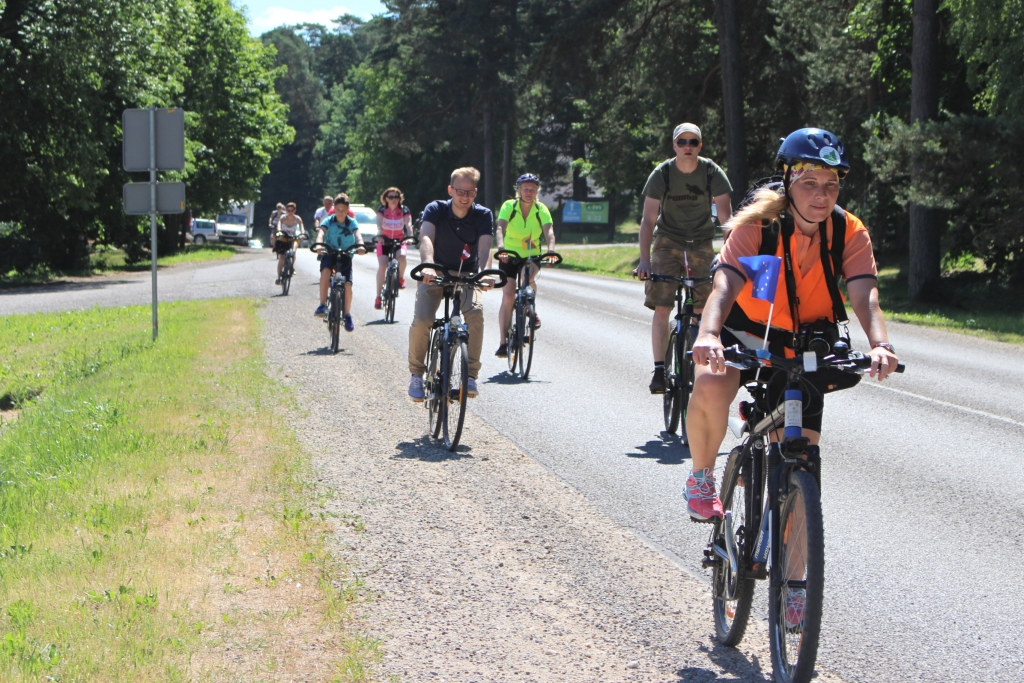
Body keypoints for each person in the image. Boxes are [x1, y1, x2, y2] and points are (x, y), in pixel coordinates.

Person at [684, 127, 900, 525]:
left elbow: (865, 294)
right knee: (713, 384)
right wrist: (709, 334)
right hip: (744, 327)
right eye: (810, 183)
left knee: (799, 465)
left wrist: (880, 343)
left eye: (831, 185)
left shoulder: (849, 232)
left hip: (806, 343)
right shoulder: (757, 224)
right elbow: (725, 283)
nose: (822, 195)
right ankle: (700, 477)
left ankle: (796, 587)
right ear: (787, 181)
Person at [635, 123, 734, 394]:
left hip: (700, 243)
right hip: (667, 242)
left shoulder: (712, 172)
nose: (687, 147)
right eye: (682, 142)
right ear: (674, 145)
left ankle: (700, 368)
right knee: (663, 307)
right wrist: (645, 260)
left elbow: (727, 221)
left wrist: (729, 257)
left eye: (693, 142)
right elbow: (648, 221)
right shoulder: (662, 173)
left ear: (700, 145)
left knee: (704, 310)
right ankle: (658, 370)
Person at [407, 167, 495, 401]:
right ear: (450, 190)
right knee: (423, 319)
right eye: (459, 191)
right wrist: (427, 265)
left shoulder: (483, 215)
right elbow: (426, 237)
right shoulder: (435, 209)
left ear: (475, 192)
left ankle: (470, 376)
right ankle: (416, 373)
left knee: (475, 314)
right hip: (435, 273)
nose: (464, 197)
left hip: (467, 275)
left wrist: (485, 272)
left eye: (470, 193)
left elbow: (486, 247)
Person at [493, 173, 556, 357]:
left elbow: (549, 232)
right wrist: (501, 248)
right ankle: (503, 343)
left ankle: (530, 307)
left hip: (531, 254)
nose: (529, 192)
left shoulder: (541, 209)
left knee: (527, 277)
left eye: (533, 189)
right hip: (509, 255)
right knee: (508, 296)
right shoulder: (509, 206)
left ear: (537, 191)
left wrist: (551, 251)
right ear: (519, 190)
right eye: (526, 189)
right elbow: (500, 228)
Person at [313, 194, 366, 331]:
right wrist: (319, 244)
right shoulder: (329, 221)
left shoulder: (352, 222)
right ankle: (322, 304)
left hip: (346, 254)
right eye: (338, 209)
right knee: (325, 271)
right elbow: (321, 232)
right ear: (334, 209)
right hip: (330, 251)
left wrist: (360, 246)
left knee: (348, 285)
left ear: (348, 209)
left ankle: (347, 314)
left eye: (343, 209)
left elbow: (358, 235)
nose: (340, 212)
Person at [374, 187, 414, 309]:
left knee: (402, 257)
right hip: (384, 241)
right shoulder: (382, 210)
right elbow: (379, 225)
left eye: (396, 197)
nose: (394, 199)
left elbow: (408, 225)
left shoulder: (403, 210)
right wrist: (380, 236)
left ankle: (401, 278)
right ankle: (378, 297)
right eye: (391, 197)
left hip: (399, 240)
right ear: (386, 199)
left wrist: (410, 237)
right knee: (382, 265)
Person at [274, 202, 304, 285]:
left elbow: (301, 226)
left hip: (292, 238)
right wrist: (279, 231)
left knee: (293, 252)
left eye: (292, 210)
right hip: (283, 238)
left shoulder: (297, 219)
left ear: (295, 210)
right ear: (286, 210)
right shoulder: (283, 218)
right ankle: (279, 277)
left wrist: (302, 233)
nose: (290, 212)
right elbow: (279, 224)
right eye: (288, 210)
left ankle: (291, 267)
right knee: (281, 258)